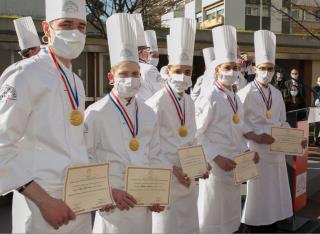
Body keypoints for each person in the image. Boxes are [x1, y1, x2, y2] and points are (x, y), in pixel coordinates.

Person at [0, 0, 92, 232]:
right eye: (66, 24)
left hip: (78, 199)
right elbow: (2, 144)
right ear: (46, 28)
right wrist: (44, 201)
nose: (75, 32)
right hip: (41, 202)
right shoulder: (24, 74)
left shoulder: (76, 81)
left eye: (81, 26)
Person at [86, 13, 163, 234]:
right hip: (114, 200)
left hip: (143, 199)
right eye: (124, 74)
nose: (131, 79)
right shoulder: (95, 113)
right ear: (111, 77)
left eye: (136, 74)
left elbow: (155, 153)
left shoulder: (148, 113)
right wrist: (107, 191)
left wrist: (157, 192)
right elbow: (86, 157)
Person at [238, 30, 307, 233]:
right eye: (262, 68)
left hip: (275, 152)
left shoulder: (276, 94)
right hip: (257, 151)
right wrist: (254, 135)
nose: (266, 72)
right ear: (255, 68)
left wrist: (297, 141)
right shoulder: (245, 93)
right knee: (257, 200)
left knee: (275, 200)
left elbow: (282, 122)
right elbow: (238, 123)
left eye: (270, 68)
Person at [147, 17, 210, 234]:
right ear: (168, 71)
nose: (183, 76)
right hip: (167, 175)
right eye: (178, 71)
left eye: (187, 72)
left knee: (188, 224)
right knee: (167, 226)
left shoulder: (190, 102)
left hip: (188, 175)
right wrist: (173, 169)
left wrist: (201, 164)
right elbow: (150, 144)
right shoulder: (155, 103)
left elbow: (192, 137)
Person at [195, 25, 256, 234]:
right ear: (217, 70)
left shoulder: (234, 97)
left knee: (231, 216)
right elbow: (198, 133)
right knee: (212, 215)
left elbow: (237, 129)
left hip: (235, 165)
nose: (231, 72)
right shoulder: (209, 97)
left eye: (234, 67)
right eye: (226, 67)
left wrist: (246, 151)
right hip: (216, 167)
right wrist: (216, 157)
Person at [131, 14, 162, 102]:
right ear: (140, 52)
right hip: (149, 109)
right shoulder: (149, 69)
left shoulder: (128, 69)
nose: (148, 53)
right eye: (147, 50)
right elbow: (162, 92)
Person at [312, 76, 320, 145]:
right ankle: (315, 140)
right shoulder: (315, 88)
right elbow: (316, 95)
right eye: (319, 81)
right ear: (317, 82)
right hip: (316, 108)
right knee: (316, 125)